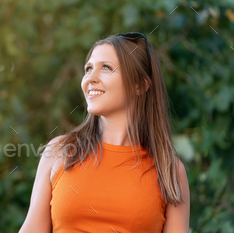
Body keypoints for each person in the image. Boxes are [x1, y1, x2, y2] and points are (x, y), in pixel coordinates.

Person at [19, 32, 190, 233]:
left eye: (106, 68)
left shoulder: (169, 169)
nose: (90, 78)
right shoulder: (60, 151)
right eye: (88, 69)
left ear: (139, 85)